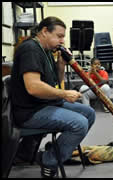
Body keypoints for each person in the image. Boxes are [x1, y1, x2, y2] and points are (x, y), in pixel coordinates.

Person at [10, 16, 96, 178]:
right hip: (30, 111)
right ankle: (48, 160)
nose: (62, 40)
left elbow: (55, 81)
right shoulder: (30, 49)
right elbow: (33, 87)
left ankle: (58, 149)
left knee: (89, 113)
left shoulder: (47, 50)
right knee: (79, 123)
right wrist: (64, 94)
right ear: (44, 32)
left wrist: (61, 64)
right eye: (59, 36)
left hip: (45, 103)